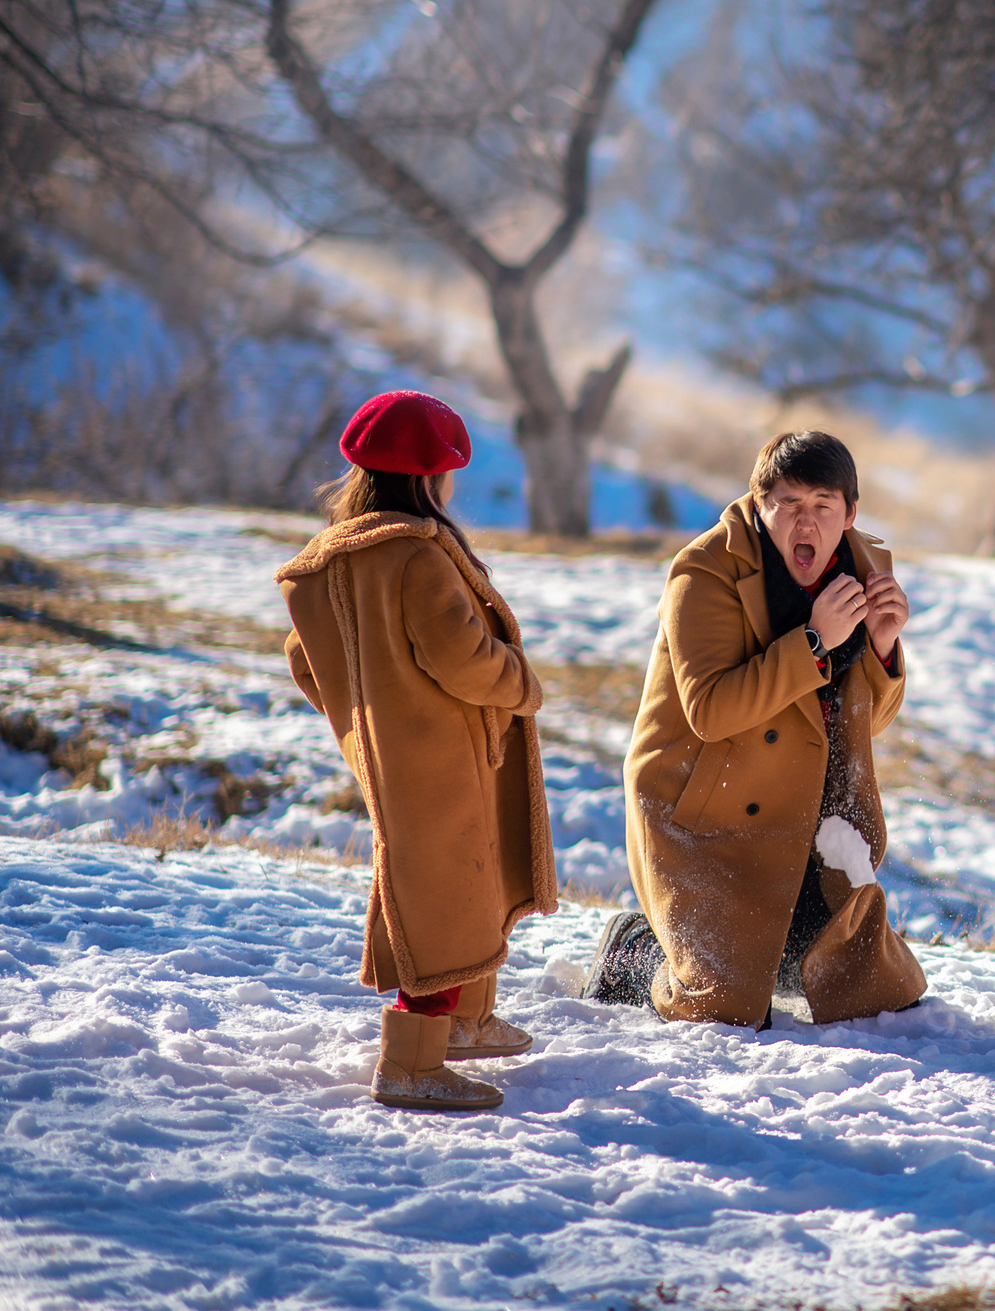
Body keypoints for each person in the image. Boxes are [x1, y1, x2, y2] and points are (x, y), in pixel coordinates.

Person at [275, 390, 555, 1113]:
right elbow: (460, 656)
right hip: (446, 754)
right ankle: (411, 1060)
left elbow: (305, 662)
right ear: (430, 479)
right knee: (444, 901)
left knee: (460, 884)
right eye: (449, 471)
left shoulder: (326, 562)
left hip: (396, 759)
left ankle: (464, 1024)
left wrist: (360, 715)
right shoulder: (416, 556)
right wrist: (520, 681)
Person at [589, 430, 926, 1027]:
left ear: (850, 513)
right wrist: (816, 640)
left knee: (877, 995)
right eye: (788, 504)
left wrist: (882, 648)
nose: (807, 523)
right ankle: (637, 947)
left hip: (806, 815)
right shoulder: (704, 572)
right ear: (758, 502)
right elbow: (710, 711)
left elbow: (863, 723)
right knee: (724, 1009)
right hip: (704, 814)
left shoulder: (864, 567)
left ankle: (769, 945)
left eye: (824, 506)